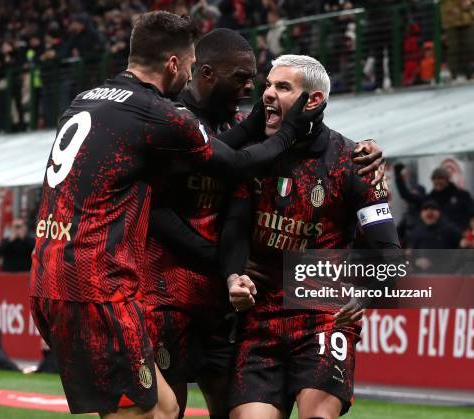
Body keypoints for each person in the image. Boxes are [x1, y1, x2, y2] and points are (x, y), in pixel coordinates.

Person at [29, 11, 322, 419]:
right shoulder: (158, 113)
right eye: (187, 65)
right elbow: (234, 163)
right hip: (95, 284)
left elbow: (210, 154)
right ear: (174, 63)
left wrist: (255, 119)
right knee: (146, 415)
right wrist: (291, 130)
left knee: (165, 409)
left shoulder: (89, 99)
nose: (188, 77)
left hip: (52, 271)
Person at [142, 29, 386, 419]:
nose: (255, 90)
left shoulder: (249, 129)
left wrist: (368, 153)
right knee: (167, 412)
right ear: (207, 73)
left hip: (267, 308)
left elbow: (387, 249)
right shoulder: (176, 123)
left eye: (274, 85)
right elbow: (163, 211)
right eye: (245, 79)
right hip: (177, 294)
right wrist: (227, 266)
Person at [219, 55, 401, 419]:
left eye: (282, 87)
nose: (267, 93)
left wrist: (367, 295)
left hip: (323, 316)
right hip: (260, 316)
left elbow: (389, 251)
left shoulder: (355, 161)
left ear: (313, 100)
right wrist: (233, 276)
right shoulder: (250, 155)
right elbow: (235, 228)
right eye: (268, 84)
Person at [394, 165, 474, 230]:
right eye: (434, 178)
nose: (437, 181)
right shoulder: (429, 199)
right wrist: (398, 174)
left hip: (458, 239)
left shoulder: (462, 195)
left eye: (440, 178)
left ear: (447, 179)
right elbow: (406, 195)